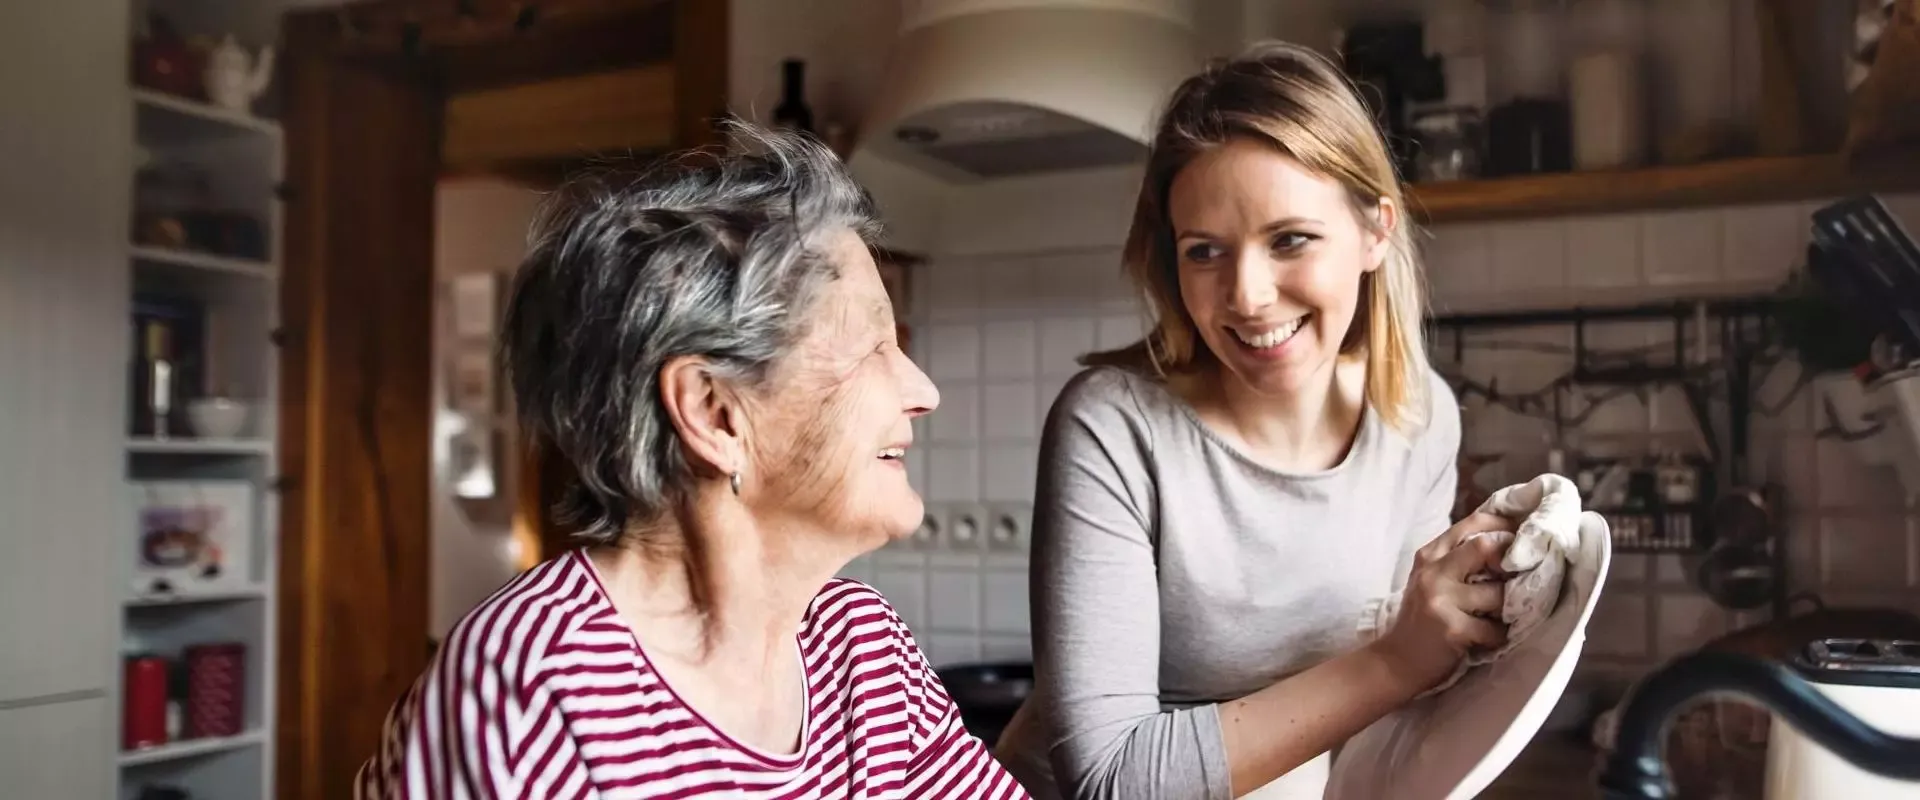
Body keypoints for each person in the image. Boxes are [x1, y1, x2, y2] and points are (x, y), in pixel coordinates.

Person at [356, 123, 1030, 799]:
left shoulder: (862, 648)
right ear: (713, 412)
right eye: (873, 347)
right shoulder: (533, 695)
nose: (924, 392)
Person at [993, 42, 1518, 799]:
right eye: (1205, 251)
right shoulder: (1114, 428)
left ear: (1376, 231)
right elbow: (1108, 780)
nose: (1246, 295)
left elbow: (1403, 704)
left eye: (1290, 240)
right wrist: (1398, 659)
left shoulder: (1420, 417)